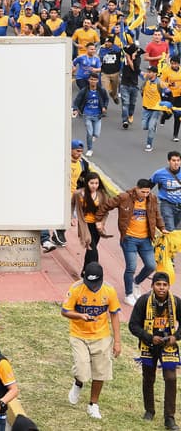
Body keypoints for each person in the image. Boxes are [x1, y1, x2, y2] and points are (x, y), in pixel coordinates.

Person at [61, 261, 123, 420]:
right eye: (90, 283)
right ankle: (78, 383)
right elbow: (65, 311)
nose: (93, 287)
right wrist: (80, 316)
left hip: (101, 336)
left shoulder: (109, 290)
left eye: (96, 283)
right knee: (82, 370)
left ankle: (93, 404)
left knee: (100, 372)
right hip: (79, 335)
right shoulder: (76, 288)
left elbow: (114, 314)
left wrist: (117, 341)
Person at [98, 178, 164, 303]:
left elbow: (156, 215)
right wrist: (98, 220)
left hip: (145, 239)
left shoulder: (152, 199)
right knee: (131, 267)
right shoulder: (124, 197)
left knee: (151, 265)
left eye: (147, 192)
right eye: (143, 192)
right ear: (137, 188)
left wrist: (162, 228)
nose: (145, 195)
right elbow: (106, 205)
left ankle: (136, 282)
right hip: (129, 239)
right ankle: (128, 294)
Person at [129, 271, 181, 429]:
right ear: (152, 286)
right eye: (158, 284)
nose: (162, 288)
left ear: (169, 287)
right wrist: (149, 337)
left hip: (168, 345)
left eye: (165, 285)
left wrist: (176, 336)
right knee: (148, 378)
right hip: (149, 344)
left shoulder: (176, 302)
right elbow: (133, 325)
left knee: (171, 379)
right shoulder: (144, 301)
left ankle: (169, 418)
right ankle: (149, 410)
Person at [72, 171, 114, 267]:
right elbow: (71, 204)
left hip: (96, 226)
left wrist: (101, 223)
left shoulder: (102, 195)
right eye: (92, 183)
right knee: (92, 249)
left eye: (96, 183)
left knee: (90, 249)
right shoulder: (79, 194)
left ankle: (85, 270)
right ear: (87, 183)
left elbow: (105, 211)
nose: (94, 186)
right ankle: (95, 270)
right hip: (85, 225)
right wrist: (72, 217)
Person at [153, 151, 181, 233]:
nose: (176, 163)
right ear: (168, 161)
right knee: (170, 229)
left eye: (178, 160)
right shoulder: (159, 174)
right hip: (167, 204)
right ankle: (165, 245)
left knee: (176, 229)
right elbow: (148, 186)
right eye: (173, 160)